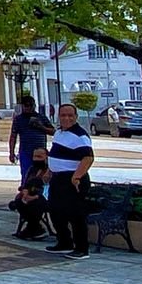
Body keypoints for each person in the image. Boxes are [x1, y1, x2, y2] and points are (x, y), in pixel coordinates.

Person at [44, 102, 94, 259]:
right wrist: (49, 171)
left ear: (76, 117)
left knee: (75, 215)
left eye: (70, 115)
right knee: (56, 211)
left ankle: (81, 248)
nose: (66, 118)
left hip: (72, 179)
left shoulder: (80, 136)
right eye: (63, 115)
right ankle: (64, 242)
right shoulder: (59, 133)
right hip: (58, 178)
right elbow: (55, 154)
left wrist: (77, 176)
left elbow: (88, 157)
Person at [7, 94, 54, 181]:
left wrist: (41, 127)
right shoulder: (18, 119)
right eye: (26, 105)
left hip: (40, 151)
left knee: (41, 174)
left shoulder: (41, 117)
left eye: (30, 105)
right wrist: (11, 153)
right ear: (22, 106)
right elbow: (13, 137)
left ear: (34, 106)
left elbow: (53, 132)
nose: (28, 108)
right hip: (25, 151)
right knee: (26, 175)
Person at [8, 170, 51, 240]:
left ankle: (33, 228)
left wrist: (33, 197)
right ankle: (35, 228)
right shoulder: (36, 180)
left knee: (37, 204)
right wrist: (26, 195)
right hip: (33, 200)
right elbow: (26, 188)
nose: (47, 176)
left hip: (46, 202)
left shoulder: (55, 183)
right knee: (20, 202)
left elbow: (44, 197)